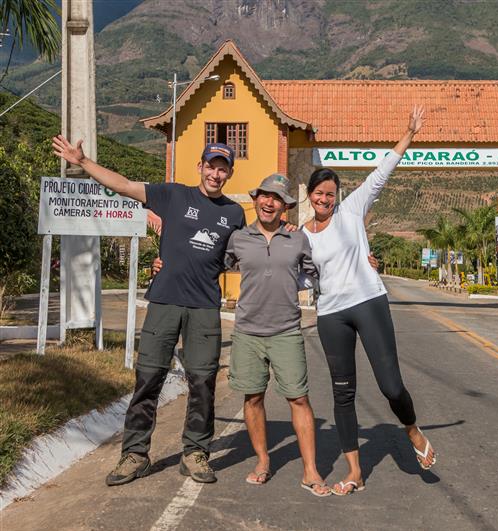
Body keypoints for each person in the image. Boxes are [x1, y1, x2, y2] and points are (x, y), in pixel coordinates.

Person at [52, 136, 245, 486]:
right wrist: (83, 161)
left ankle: (195, 452)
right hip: (165, 302)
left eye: (223, 168)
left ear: (229, 173)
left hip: (204, 307)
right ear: (200, 166)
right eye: (211, 166)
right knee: (149, 379)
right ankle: (135, 454)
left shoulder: (234, 213)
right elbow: (123, 185)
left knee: (202, 382)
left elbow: (241, 255)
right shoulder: (173, 195)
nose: (216, 174)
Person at [302, 105, 437, 496]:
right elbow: (292, 271)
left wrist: (408, 134)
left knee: (391, 386)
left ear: (337, 195)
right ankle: (355, 472)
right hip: (330, 315)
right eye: (319, 192)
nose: (325, 198)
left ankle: (411, 429)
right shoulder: (302, 234)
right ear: (310, 195)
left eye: (330, 192)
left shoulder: (352, 209)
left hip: (368, 303)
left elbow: (382, 171)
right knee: (342, 393)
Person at [222, 174, 331, 496]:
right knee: (253, 396)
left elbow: (316, 272)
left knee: (298, 397)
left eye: (277, 198)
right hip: (247, 331)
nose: (269, 202)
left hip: (286, 330)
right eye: (265, 196)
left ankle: (310, 470)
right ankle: (262, 460)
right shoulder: (238, 238)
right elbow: (214, 263)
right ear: (257, 200)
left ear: (286, 206)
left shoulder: (297, 239)